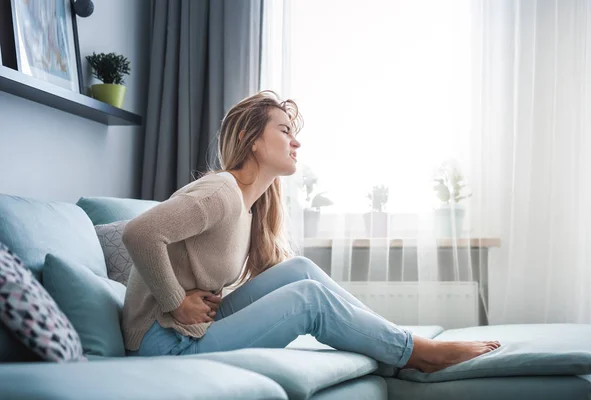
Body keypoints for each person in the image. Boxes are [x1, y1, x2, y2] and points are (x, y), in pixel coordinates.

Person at [121, 90, 500, 372]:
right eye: (284, 130)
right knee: (309, 299)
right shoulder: (221, 191)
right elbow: (140, 233)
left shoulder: (251, 208)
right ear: (251, 140)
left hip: (193, 327)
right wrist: (174, 300)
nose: (296, 141)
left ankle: (392, 339)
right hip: (165, 343)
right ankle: (417, 353)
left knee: (298, 270)